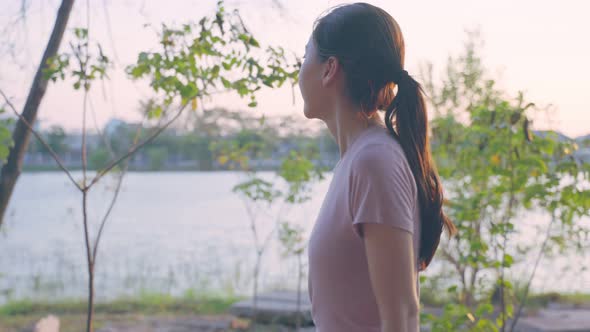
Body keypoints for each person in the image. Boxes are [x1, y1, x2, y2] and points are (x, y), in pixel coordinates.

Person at [299, 3, 457, 331]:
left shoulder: (375, 161)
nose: (299, 72)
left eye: (304, 58)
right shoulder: (357, 159)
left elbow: (402, 316)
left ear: (330, 69)